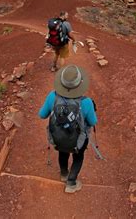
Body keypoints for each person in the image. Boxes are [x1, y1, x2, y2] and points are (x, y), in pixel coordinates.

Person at [38, 65, 97, 193]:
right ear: (79, 84)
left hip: (58, 137)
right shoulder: (86, 102)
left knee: (62, 153)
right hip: (78, 140)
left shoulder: (52, 96)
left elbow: (42, 115)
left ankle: (64, 174)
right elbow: (93, 122)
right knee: (78, 157)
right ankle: (71, 183)